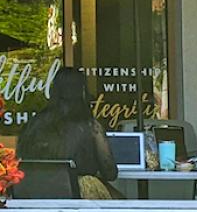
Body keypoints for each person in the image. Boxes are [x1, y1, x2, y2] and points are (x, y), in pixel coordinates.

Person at [17, 67, 121, 199]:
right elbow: (110, 173)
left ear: (54, 91)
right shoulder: (90, 126)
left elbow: (20, 162)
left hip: (36, 196)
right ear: (82, 92)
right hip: (78, 198)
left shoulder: (33, 124)